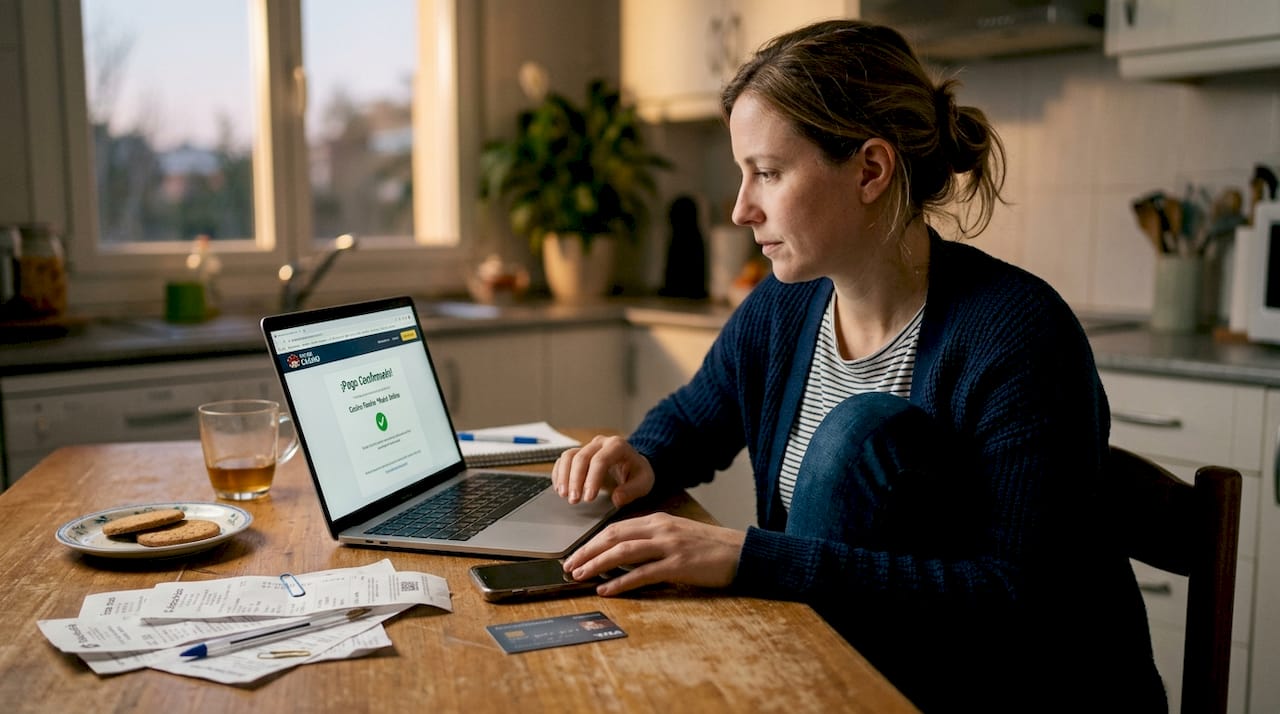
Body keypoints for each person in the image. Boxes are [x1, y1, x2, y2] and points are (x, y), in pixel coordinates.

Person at [551, 19, 1165, 712]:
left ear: (870, 170)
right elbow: (698, 416)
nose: (740, 208)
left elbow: (1011, 599)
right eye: (741, 173)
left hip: (1025, 686)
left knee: (858, 433)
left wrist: (746, 557)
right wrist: (642, 458)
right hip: (853, 676)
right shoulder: (784, 308)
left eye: (769, 173)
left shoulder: (1018, 335)